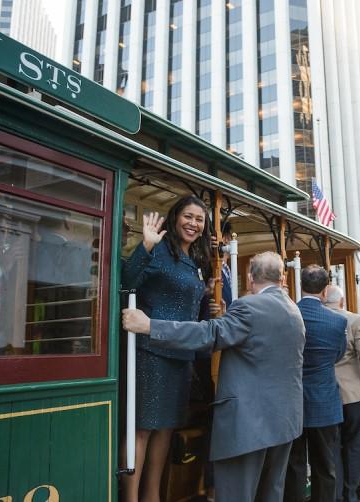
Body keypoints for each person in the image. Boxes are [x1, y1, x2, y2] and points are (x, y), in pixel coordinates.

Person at [122, 251, 305, 502]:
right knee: (270, 493)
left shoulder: (249, 305)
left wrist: (150, 326)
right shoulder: (293, 309)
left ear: (250, 278)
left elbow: (210, 335)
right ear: (282, 278)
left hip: (249, 424)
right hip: (284, 422)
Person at [120, 196, 212, 502]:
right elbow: (127, 283)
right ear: (175, 218)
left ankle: (152, 496)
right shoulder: (158, 249)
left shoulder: (198, 261)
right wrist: (144, 246)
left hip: (181, 356)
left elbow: (196, 311)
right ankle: (131, 498)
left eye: (199, 219)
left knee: (167, 429)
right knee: (143, 429)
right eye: (188, 216)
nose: (193, 224)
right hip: (152, 353)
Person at [285, 266, 347, 502]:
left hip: (293, 401)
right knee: (325, 467)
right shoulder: (336, 322)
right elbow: (338, 356)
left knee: (294, 465)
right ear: (325, 290)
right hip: (325, 402)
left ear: (301, 286)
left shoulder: (289, 314)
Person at [325, 285, 360, 502]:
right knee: (353, 445)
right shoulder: (353, 319)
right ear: (341, 301)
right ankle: (350, 494)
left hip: (327, 392)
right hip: (355, 394)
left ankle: (337, 495)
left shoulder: (316, 318)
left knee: (332, 447)